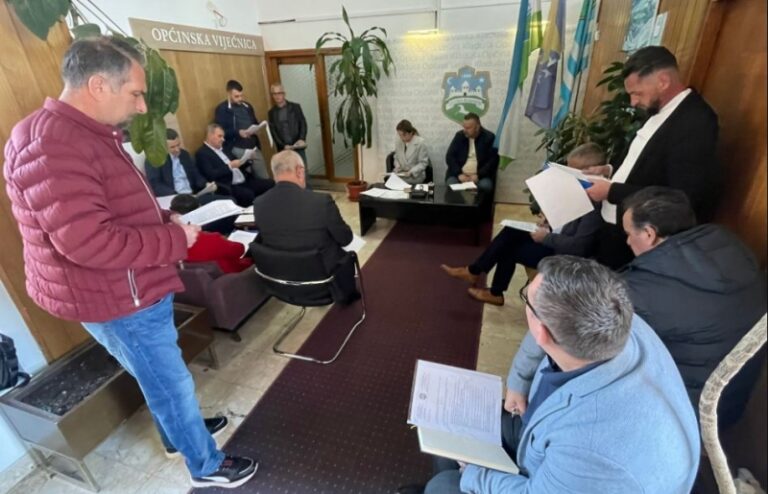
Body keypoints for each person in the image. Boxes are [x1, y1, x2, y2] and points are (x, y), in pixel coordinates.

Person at [3, 36, 257, 489]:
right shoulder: (54, 145)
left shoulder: (79, 133)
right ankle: (206, 466)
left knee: (158, 375)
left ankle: (179, 435)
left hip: (127, 286)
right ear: (98, 85)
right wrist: (174, 239)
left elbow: (114, 206)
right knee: (170, 383)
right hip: (119, 297)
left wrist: (163, 218)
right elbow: (89, 243)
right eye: (136, 93)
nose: (142, 107)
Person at [420, 256, 699, 494]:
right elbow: (539, 333)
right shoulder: (615, 317)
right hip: (545, 438)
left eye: (526, 300)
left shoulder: (591, 447)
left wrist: (473, 474)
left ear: (541, 330)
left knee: (443, 485)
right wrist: (519, 381)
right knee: (452, 423)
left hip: (569, 473)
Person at [620, 187, 767, 427]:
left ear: (648, 233)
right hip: (734, 400)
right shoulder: (728, 242)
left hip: (685, 415)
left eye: (628, 233)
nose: (627, 241)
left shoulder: (643, 290)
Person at [585, 46, 721, 268]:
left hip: (641, 234)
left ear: (663, 81)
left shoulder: (695, 121)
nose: (633, 102)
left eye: (637, 93)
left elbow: (681, 195)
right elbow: (642, 161)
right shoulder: (659, 110)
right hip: (616, 224)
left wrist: (612, 191)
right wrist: (609, 170)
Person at [440, 143, 605, 306]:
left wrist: (546, 237)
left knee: (509, 248)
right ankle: (475, 272)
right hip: (554, 239)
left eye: (572, 172)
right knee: (511, 231)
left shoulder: (594, 205)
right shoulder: (578, 193)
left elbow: (579, 247)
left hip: (563, 256)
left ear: (593, 172)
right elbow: (567, 224)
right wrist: (550, 222)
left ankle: (490, 288)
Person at [252, 150, 359, 304]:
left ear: (275, 173)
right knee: (346, 253)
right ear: (299, 171)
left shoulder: (258, 203)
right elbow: (345, 239)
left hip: (280, 280)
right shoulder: (321, 202)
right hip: (323, 283)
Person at [169, 195, 254, 274]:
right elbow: (239, 250)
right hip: (233, 273)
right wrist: (224, 240)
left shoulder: (167, 243)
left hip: (204, 280)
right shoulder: (209, 239)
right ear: (199, 208)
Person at [195, 123, 274, 207]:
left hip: (244, 180)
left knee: (270, 183)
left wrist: (248, 160)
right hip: (228, 185)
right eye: (220, 136)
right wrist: (229, 166)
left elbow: (238, 165)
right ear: (210, 136)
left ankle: (269, 209)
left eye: (223, 137)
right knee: (247, 194)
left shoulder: (224, 149)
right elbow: (211, 175)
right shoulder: (202, 153)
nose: (223, 139)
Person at [214, 79, 270, 179]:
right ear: (229, 94)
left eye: (241, 95)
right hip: (236, 147)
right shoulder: (222, 109)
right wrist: (238, 132)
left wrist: (258, 128)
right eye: (236, 96)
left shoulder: (247, 106)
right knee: (248, 178)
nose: (240, 99)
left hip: (252, 145)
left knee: (264, 178)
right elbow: (220, 133)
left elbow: (254, 122)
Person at [445, 113, 499, 193]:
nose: (465, 130)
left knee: (485, 186)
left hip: (480, 177)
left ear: (477, 127)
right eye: (464, 127)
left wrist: (478, 175)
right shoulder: (459, 136)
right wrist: (459, 174)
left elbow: (493, 161)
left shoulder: (489, 137)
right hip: (460, 175)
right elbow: (450, 157)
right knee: (451, 183)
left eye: (468, 128)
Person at [267, 83, 308, 164]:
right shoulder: (271, 113)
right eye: (274, 94)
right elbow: (273, 132)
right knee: (287, 170)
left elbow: (303, 124)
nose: (277, 96)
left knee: (301, 169)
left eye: (279, 93)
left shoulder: (295, 107)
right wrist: (283, 146)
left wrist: (301, 139)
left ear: (284, 94)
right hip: (284, 149)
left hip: (298, 146)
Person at [390, 120, 430, 185]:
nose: (401, 138)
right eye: (399, 135)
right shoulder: (398, 141)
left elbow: (423, 163)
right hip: (401, 174)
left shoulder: (420, 143)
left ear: (411, 133)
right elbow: (396, 157)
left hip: (415, 176)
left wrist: (411, 172)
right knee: (390, 183)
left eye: (404, 135)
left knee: (402, 186)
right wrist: (397, 166)